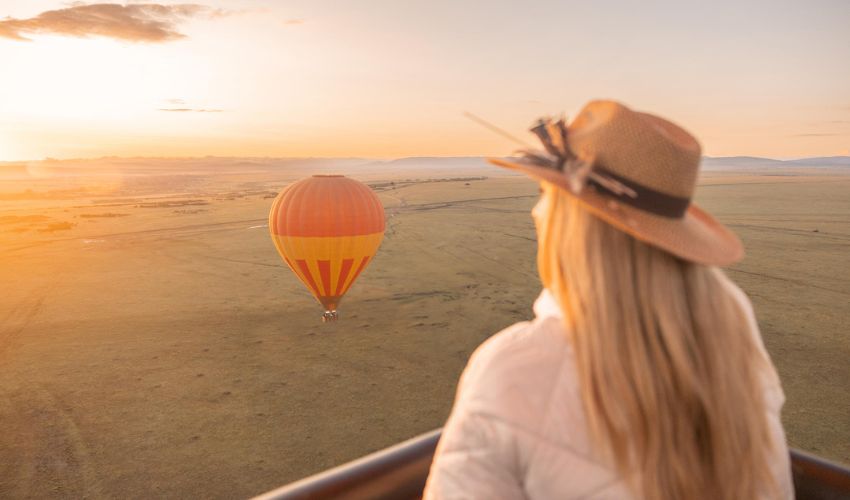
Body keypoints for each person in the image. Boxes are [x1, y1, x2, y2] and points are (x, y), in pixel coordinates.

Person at [423, 100, 793, 499]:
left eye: (547, 193)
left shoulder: (515, 368)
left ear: (573, 223)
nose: (537, 209)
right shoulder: (732, 328)